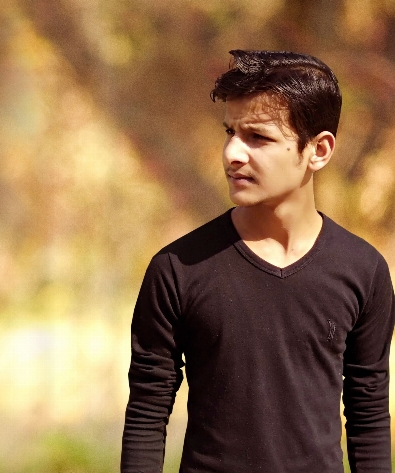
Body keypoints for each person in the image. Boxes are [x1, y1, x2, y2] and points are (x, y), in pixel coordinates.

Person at [121, 50, 395, 472]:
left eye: (258, 137)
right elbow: (147, 414)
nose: (232, 153)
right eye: (230, 131)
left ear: (318, 150)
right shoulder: (177, 270)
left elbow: (369, 415)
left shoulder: (364, 272)